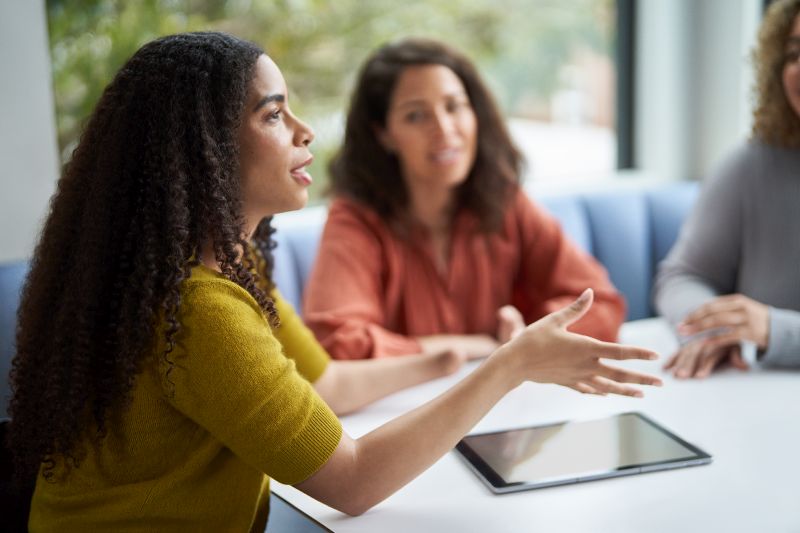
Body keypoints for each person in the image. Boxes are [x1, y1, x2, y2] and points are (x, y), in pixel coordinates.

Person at [8, 32, 661, 532]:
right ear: (204, 149)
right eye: (272, 115)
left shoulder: (221, 265)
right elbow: (351, 481)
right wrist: (509, 364)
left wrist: (459, 353)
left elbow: (326, 382)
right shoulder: (200, 309)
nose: (303, 130)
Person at [303, 38, 627, 361]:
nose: (444, 130)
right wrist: (478, 346)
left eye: (454, 106)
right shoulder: (356, 218)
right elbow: (337, 344)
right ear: (383, 134)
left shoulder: (505, 201)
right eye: (416, 116)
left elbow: (601, 303)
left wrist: (526, 334)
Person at [654, 0, 800, 379]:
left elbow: (770, 328)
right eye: (795, 53)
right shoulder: (751, 164)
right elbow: (683, 276)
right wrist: (713, 329)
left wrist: (774, 329)